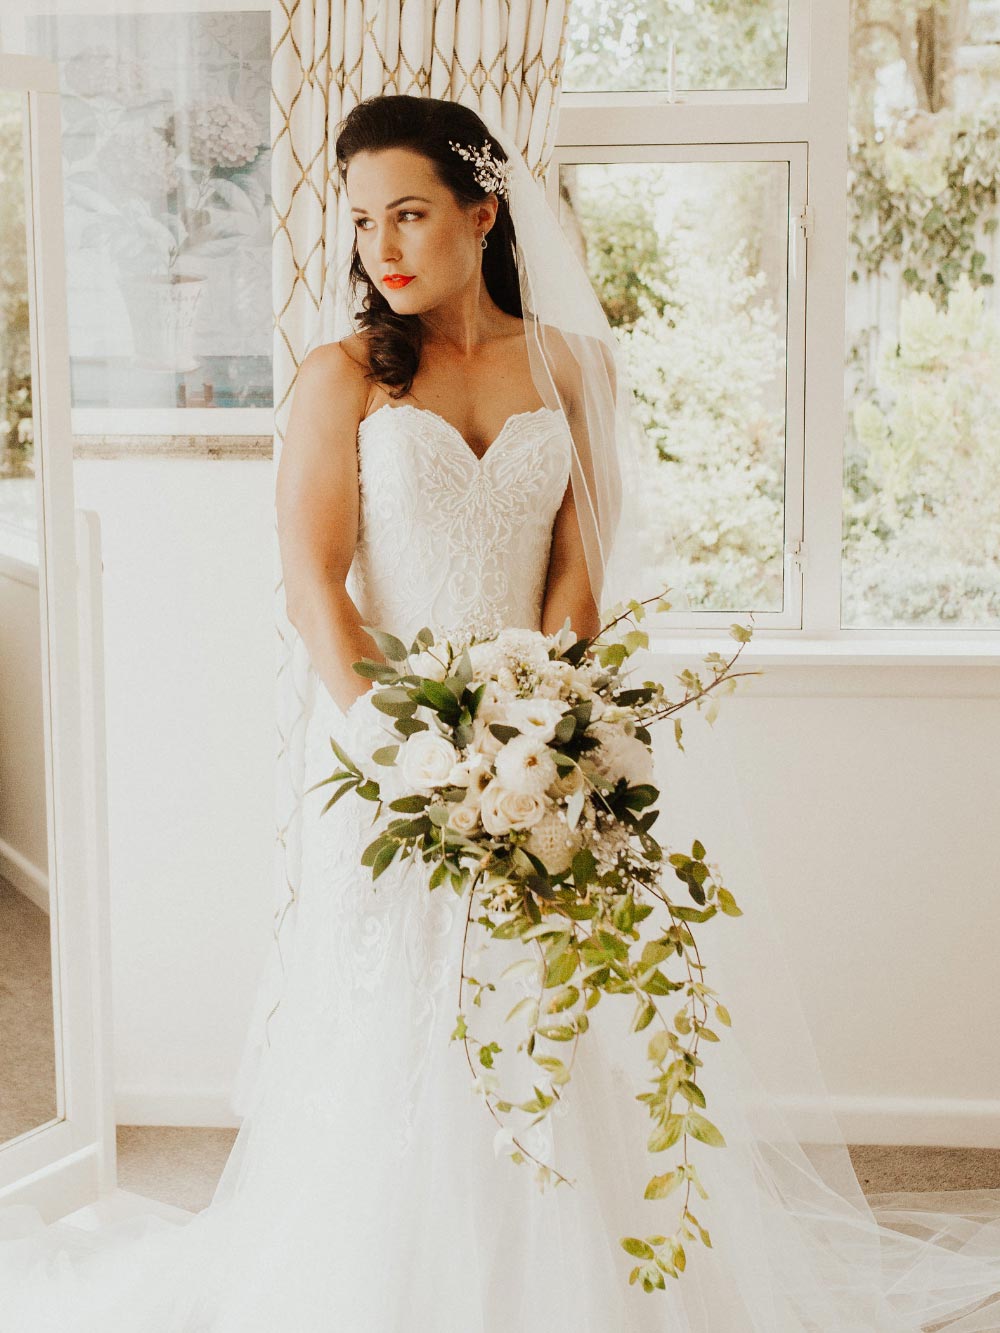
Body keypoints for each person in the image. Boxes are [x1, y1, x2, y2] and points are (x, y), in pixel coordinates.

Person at [2, 91, 1000, 1332]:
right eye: (364, 219)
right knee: (398, 1018)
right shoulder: (343, 379)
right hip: (388, 753)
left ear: (484, 211)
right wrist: (410, 743)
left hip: (542, 747)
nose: (383, 244)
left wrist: (548, 719)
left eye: (410, 212)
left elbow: (581, 561)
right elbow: (314, 582)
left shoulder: (569, 365)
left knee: (547, 1008)